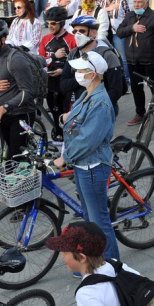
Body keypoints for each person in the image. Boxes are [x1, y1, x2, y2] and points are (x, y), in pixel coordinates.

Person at [53, 51, 120, 261]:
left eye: (81, 70)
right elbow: (78, 119)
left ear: (93, 74)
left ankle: (110, 264)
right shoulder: (87, 93)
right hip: (83, 166)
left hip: (92, 167)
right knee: (91, 218)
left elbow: (88, 139)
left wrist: (65, 158)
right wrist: (66, 117)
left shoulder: (100, 102)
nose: (77, 73)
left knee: (99, 220)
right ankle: (97, 261)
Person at [0, 19, 37, 160]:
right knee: (11, 156)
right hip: (4, 115)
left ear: (3, 39)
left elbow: (29, 91)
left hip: (21, 114)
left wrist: (5, 107)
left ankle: (32, 180)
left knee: (17, 158)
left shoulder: (15, 59)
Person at [46, 222, 142, 301]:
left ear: (82, 257)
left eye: (65, 251)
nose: (62, 255)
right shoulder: (114, 264)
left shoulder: (86, 294)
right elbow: (142, 279)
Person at [117, 0, 154, 125]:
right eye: (135, 2)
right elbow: (119, 32)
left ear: (146, 3)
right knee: (136, 88)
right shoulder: (130, 16)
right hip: (133, 60)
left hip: (150, 60)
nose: (137, 4)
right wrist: (132, 28)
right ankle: (140, 113)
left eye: (139, 2)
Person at [60, 15, 125, 116]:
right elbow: (63, 85)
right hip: (78, 108)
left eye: (82, 31)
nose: (77, 34)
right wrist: (84, 78)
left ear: (94, 33)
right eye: (74, 31)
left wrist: (95, 107)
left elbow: (116, 90)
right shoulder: (73, 54)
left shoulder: (107, 55)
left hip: (101, 109)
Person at [40, 7, 77, 141]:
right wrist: (54, 57)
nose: (50, 26)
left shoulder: (72, 39)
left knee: (67, 112)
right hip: (51, 81)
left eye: (53, 23)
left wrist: (63, 71)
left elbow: (77, 63)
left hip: (66, 81)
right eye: (48, 23)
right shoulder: (45, 40)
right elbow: (41, 61)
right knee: (55, 114)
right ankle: (58, 136)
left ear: (61, 23)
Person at [102, 0, 132, 83]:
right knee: (107, 57)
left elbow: (128, 16)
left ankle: (127, 80)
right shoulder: (102, 0)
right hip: (105, 33)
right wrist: (108, 9)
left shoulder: (121, 0)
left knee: (122, 57)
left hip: (118, 33)